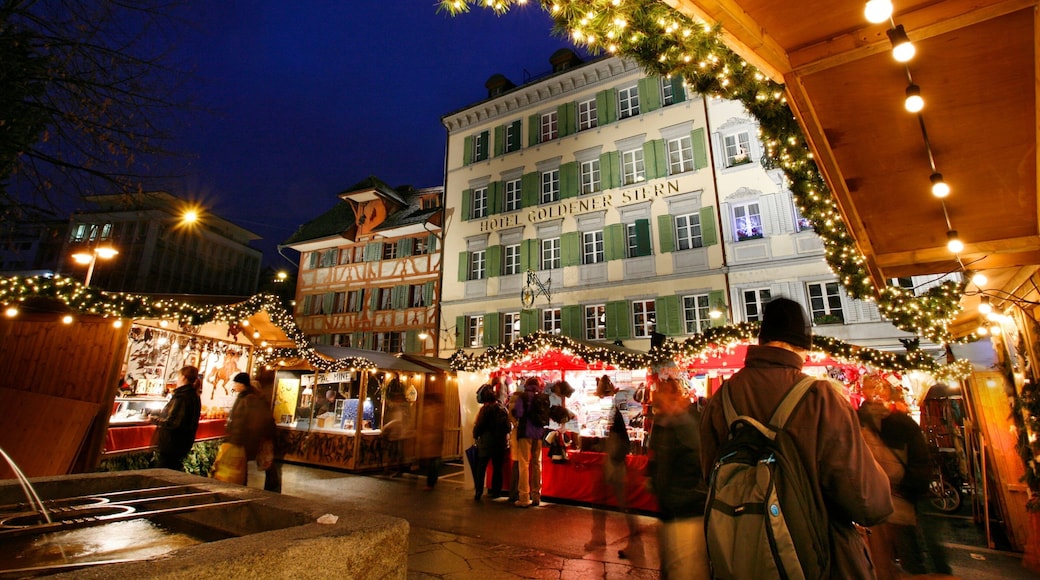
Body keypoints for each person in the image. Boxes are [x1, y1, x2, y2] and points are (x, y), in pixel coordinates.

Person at [699, 297, 893, 579]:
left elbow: (709, 476)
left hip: (739, 557)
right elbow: (868, 502)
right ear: (804, 346)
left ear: (761, 339)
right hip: (818, 558)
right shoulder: (821, 398)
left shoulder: (721, 399)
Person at [858, 373, 935, 577]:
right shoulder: (901, 423)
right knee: (911, 556)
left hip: (877, 502)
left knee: (883, 559)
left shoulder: (857, 424)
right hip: (897, 501)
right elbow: (921, 461)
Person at [646, 377, 710, 579]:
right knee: (675, 569)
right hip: (672, 511)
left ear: (675, 396)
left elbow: (697, 465)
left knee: (685, 570)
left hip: (687, 512)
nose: (660, 401)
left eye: (664, 395)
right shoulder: (666, 424)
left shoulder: (684, 424)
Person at [223, 372, 276, 486]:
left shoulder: (249, 398)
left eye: (236, 383)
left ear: (242, 384)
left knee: (243, 464)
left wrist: (240, 437)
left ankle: (240, 484)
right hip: (242, 438)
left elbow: (248, 420)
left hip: (244, 438)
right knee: (242, 464)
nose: (235, 386)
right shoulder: (244, 397)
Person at [151, 365, 203, 471]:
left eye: (178, 376)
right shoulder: (194, 395)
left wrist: (154, 419)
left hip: (172, 444)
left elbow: (173, 422)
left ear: (183, 377)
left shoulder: (182, 396)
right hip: (183, 444)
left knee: (164, 471)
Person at [472, 384, 511, 500]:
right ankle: (496, 491)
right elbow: (508, 427)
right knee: (497, 468)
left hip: (485, 443)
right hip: (499, 443)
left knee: (481, 468)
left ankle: (478, 491)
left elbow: (479, 426)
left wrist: (476, 435)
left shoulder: (484, 410)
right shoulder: (502, 409)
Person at [511, 376, 545, 507]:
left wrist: (514, 412)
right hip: (539, 434)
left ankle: (524, 497)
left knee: (524, 464)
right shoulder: (541, 397)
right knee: (537, 464)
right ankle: (536, 495)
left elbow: (518, 413)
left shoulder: (524, 397)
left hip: (526, 433)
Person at [416, 390, 445, 490]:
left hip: (432, 441)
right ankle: (432, 481)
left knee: (434, 462)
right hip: (433, 441)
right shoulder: (437, 410)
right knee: (434, 461)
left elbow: (431, 426)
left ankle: (431, 482)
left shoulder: (433, 411)